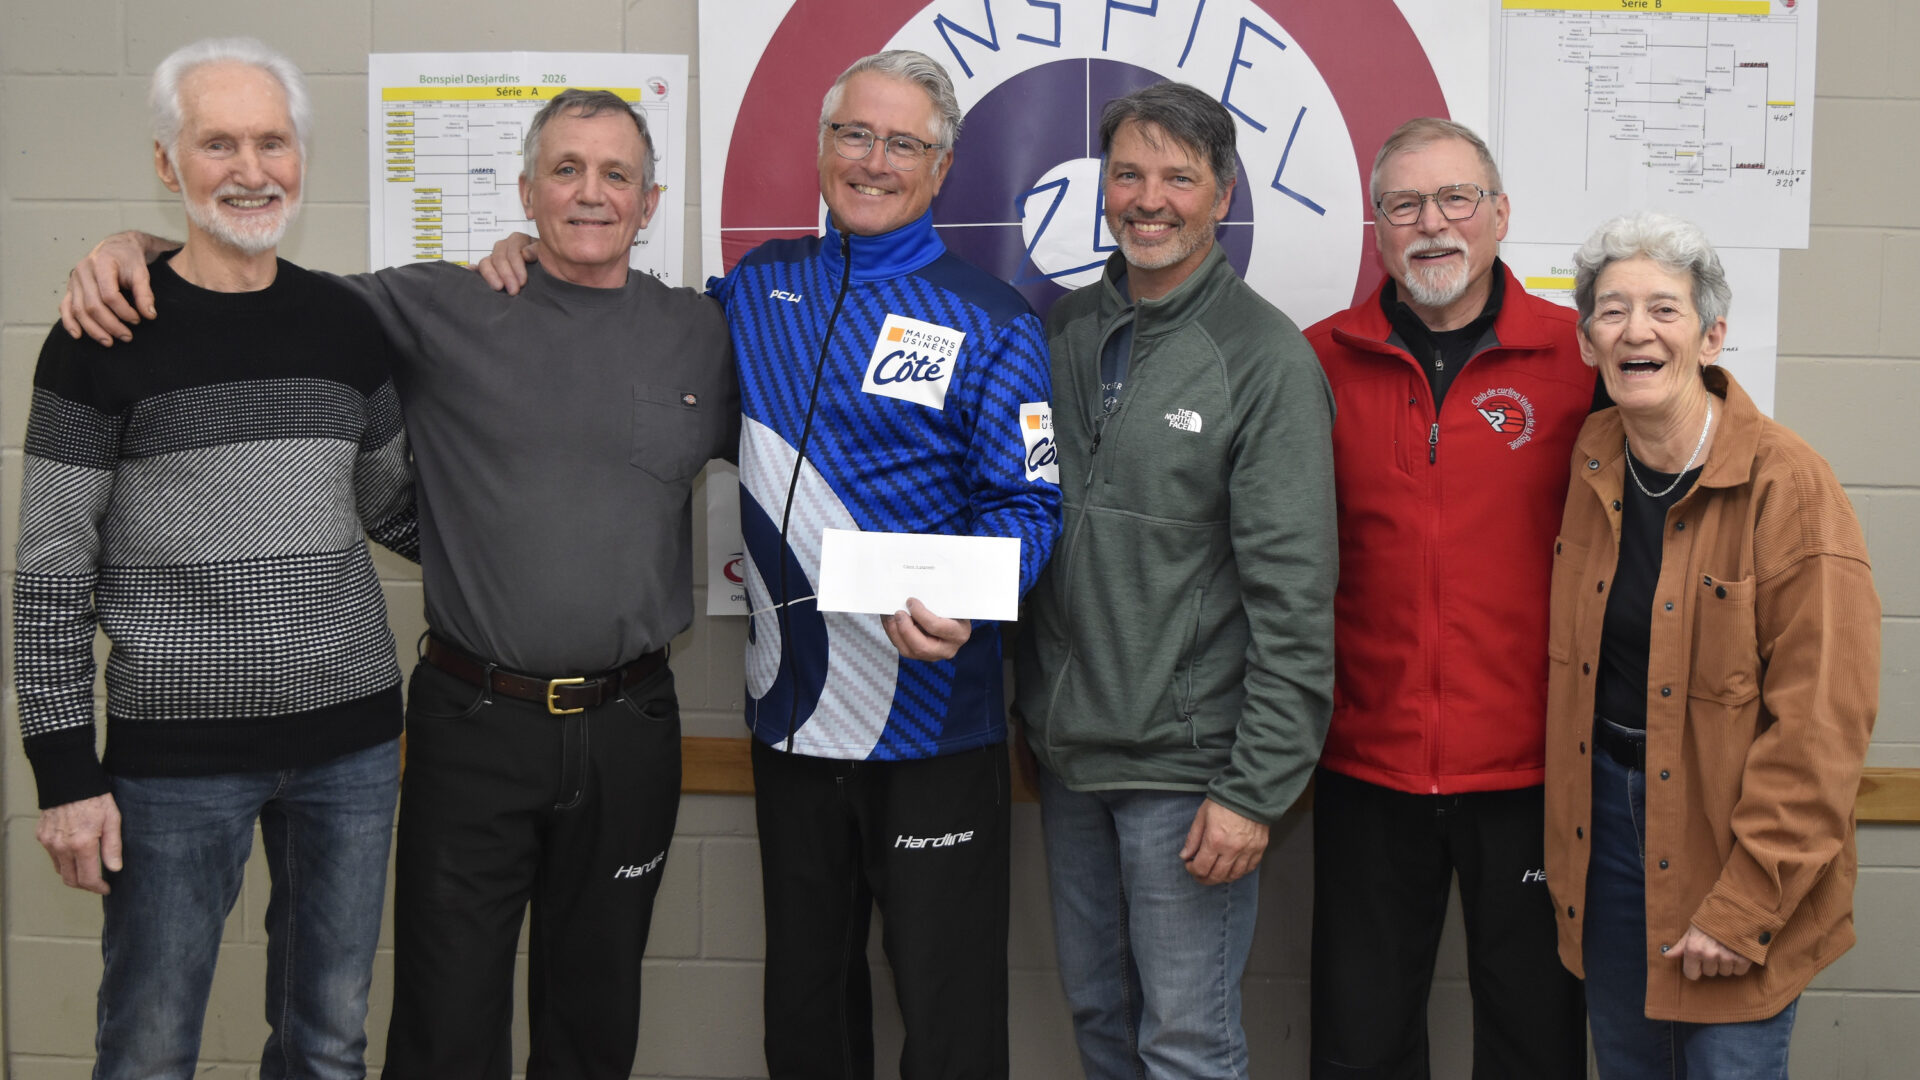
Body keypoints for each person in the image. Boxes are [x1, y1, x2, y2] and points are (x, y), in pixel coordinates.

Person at [57, 88, 737, 1080]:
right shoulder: (444, 305)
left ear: (650, 200)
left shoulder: (700, 334)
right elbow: (267, 292)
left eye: (615, 175)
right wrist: (138, 247)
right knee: (446, 1019)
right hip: (475, 723)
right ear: (527, 190)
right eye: (566, 170)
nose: (591, 194)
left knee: (595, 1013)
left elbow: (814, 442)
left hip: (633, 727)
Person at [481, 52, 1060, 1078]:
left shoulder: (996, 316)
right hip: (792, 721)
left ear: (942, 168)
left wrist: (972, 596)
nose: (874, 161)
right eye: (854, 135)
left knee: (950, 1014)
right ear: (823, 147)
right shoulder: (756, 288)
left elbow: (1031, 503)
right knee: (804, 1007)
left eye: (903, 144)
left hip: (932, 721)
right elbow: (630, 339)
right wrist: (534, 257)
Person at [16, 37, 416, 1079]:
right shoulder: (100, 332)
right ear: (168, 164)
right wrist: (64, 772)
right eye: (219, 143)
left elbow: (392, 509)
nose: (251, 169)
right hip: (172, 762)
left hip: (354, 747)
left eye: (272, 141)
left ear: (302, 156)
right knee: (148, 1048)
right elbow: (50, 573)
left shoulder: (347, 323)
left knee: (329, 1042)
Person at [1011, 81, 1335, 1080]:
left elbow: (1295, 600)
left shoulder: (1263, 358)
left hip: (1189, 778)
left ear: (1223, 193)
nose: (1150, 199)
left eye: (1179, 177)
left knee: (1185, 1047)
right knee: (1103, 1023)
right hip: (1071, 768)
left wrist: (1254, 791)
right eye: (1130, 173)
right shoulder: (1063, 330)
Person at [1545, 210, 1878, 1078]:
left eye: (1663, 307)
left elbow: (1821, 729)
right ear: (1588, 345)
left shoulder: (1790, 487)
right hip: (1608, 843)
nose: (1635, 330)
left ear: (1712, 334)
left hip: (1734, 842)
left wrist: (1744, 905)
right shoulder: (1593, 461)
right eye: (1611, 311)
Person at [1302, 117, 1591, 1078]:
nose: (1433, 223)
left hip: (1533, 771)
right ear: (1377, 229)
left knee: (1535, 1035)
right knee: (1360, 1040)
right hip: (1365, 767)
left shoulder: (1581, 361)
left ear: (1500, 215)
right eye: (1405, 204)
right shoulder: (1315, 361)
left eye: (1456, 198)